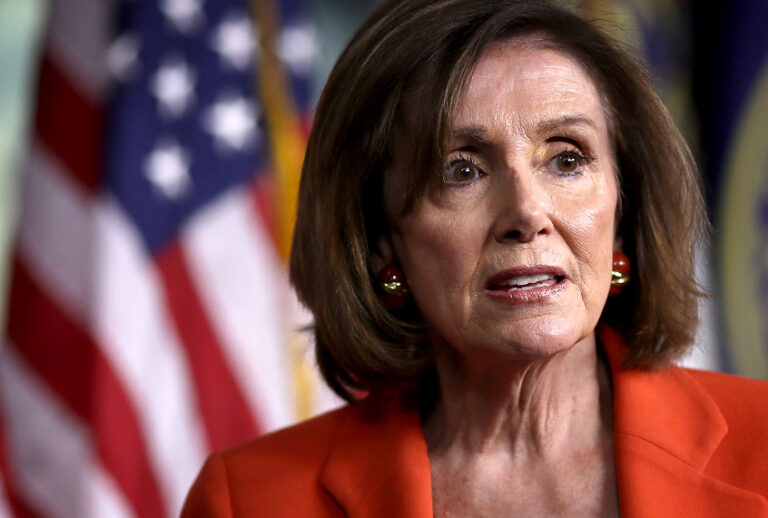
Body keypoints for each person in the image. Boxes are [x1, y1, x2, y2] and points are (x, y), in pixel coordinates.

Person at [182, 0, 768, 516]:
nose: (527, 212)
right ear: (381, 234)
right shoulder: (250, 501)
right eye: (462, 170)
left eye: (566, 159)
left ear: (624, 207)